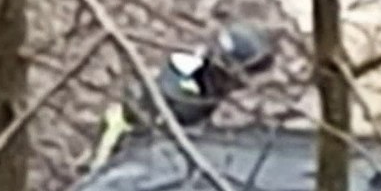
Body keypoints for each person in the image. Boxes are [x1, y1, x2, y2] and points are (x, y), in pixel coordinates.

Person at [89, 22, 275, 170]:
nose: (243, 83)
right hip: (126, 141)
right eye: (246, 74)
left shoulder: (207, 83)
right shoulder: (185, 83)